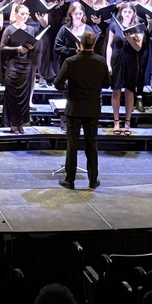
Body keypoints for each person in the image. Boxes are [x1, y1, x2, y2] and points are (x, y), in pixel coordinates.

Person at [54, 29, 110, 190]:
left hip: (74, 108)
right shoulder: (101, 61)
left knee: (72, 144)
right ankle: (93, 179)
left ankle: (69, 180)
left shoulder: (71, 61)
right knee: (92, 144)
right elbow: (106, 83)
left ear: (80, 44)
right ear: (93, 44)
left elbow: (57, 83)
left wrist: (68, 85)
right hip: (92, 108)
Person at [0, 2, 38, 134]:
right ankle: (12, 124)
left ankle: (21, 123)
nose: (25, 16)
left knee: (23, 96)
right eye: (22, 14)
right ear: (16, 15)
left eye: (27, 14)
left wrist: (31, 48)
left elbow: (33, 50)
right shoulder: (9, 29)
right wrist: (17, 49)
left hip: (26, 66)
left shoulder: (31, 29)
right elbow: (2, 48)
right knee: (13, 96)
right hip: (13, 65)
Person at [107, 1, 143, 135]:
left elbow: (138, 48)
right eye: (125, 11)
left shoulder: (138, 27)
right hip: (117, 59)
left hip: (131, 60)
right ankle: (116, 122)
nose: (127, 14)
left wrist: (130, 38)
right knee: (116, 90)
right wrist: (108, 64)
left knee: (129, 91)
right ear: (121, 12)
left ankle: (127, 122)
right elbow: (109, 45)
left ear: (133, 13)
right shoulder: (114, 24)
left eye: (130, 12)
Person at [39, 0, 74, 84]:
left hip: (61, 20)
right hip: (47, 19)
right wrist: (49, 3)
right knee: (45, 48)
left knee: (58, 48)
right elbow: (39, 0)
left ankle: (57, 76)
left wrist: (63, 3)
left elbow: (71, 4)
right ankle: (43, 76)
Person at [17, 0, 51, 87]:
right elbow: (12, 18)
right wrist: (22, 17)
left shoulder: (41, 1)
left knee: (42, 42)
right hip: (23, 30)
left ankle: (40, 77)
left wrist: (41, 18)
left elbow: (45, 24)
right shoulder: (20, 0)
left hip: (37, 30)